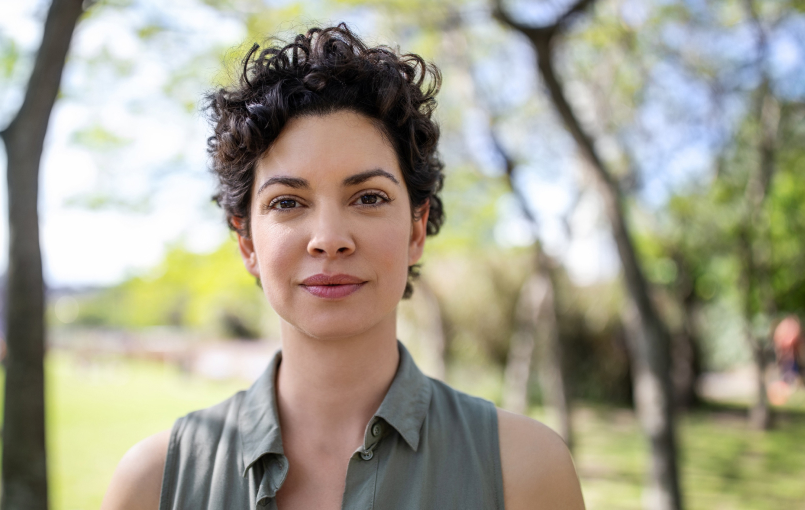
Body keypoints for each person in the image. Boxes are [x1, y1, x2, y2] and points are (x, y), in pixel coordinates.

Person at [101, 24, 584, 510]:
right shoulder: (152, 484)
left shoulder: (525, 470)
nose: (329, 239)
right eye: (288, 202)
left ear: (416, 230)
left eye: (368, 197)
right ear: (246, 240)